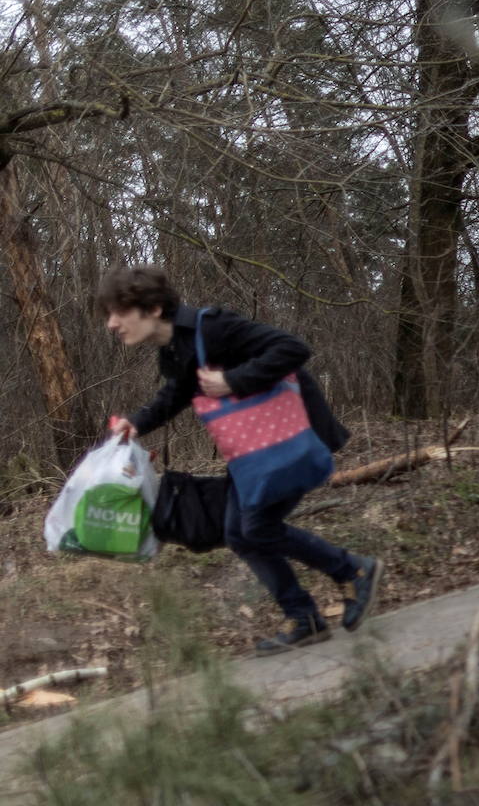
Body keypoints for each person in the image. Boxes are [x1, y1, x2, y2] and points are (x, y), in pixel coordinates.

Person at [98, 267, 384, 656]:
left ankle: (351, 571)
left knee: (255, 527)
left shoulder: (212, 327)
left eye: (118, 312)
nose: (111, 324)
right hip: (254, 450)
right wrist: (138, 422)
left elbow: (293, 348)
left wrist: (235, 380)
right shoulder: (175, 349)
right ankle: (305, 617)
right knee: (239, 531)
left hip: (293, 437)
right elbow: (179, 392)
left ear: (152, 307)